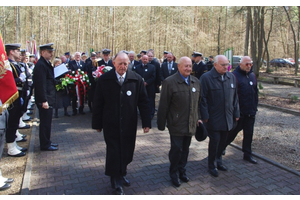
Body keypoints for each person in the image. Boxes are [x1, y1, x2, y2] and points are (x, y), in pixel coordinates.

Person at [92, 52, 151, 195]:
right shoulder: (104, 80)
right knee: (114, 151)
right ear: (114, 63)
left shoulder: (136, 79)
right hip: (110, 123)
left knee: (126, 149)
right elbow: (98, 103)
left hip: (129, 124)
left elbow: (143, 102)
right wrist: (97, 124)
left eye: (125, 64)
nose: (122, 67)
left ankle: (122, 172)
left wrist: (146, 122)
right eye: (120, 63)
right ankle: (115, 179)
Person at [157, 56, 202, 187]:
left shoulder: (196, 82)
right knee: (176, 150)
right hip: (176, 124)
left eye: (190, 66)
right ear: (179, 66)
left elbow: (199, 103)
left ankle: (182, 171)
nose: (188, 68)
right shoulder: (169, 82)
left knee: (186, 150)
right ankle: (174, 173)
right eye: (185, 66)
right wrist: (161, 124)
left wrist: (198, 117)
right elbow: (163, 105)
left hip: (190, 123)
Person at [199, 55, 240, 177]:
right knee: (215, 141)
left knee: (223, 141)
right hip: (213, 118)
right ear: (215, 64)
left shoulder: (231, 77)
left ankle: (219, 161)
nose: (226, 67)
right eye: (223, 65)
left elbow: (235, 97)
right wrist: (204, 115)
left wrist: (236, 113)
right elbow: (203, 98)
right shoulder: (206, 78)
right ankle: (212, 164)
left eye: (227, 64)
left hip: (227, 117)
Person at [223, 56, 258, 164]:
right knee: (231, 134)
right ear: (240, 64)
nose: (248, 66)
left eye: (250, 64)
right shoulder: (234, 76)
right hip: (239, 113)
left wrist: (254, 107)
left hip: (250, 112)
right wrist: (234, 112)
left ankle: (247, 154)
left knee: (249, 134)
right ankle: (220, 149)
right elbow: (231, 96)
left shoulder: (252, 76)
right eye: (246, 64)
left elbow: (255, 93)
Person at [33, 43, 58, 151]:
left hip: (49, 97)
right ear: (43, 53)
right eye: (49, 52)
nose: (52, 54)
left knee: (47, 122)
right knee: (45, 123)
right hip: (45, 99)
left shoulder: (46, 63)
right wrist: (44, 100)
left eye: (52, 52)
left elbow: (49, 80)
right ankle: (44, 144)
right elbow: (40, 84)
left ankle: (47, 141)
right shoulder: (41, 65)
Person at [4, 43, 27, 157]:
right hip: (12, 97)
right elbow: (9, 80)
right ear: (11, 52)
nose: (19, 53)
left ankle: (13, 143)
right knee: (12, 122)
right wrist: (20, 79)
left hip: (18, 95)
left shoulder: (14, 64)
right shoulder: (8, 65)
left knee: (15, 120)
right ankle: (11, 147)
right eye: (17, 51)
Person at [133, 55, 156, 119]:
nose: (145, 60)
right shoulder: (137, 67)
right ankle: (141, 113)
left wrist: (147, 82)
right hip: (140, 87)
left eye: (146, 59)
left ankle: (151, 114)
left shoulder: (152, 67)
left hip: (150, 87)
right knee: (141, 100)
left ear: (148, 60)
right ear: (141, 60)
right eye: (144, 59)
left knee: (150, 100)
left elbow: (153, 76)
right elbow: (135, 75)